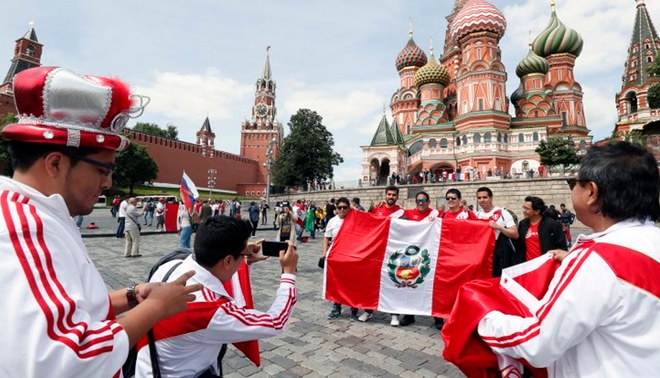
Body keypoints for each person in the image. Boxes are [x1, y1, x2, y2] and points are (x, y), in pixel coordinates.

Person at [0, 66, 201, 376]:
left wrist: (132, 296)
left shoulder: (43, 214)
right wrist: (155, 308)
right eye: (103, 170)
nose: (107, 184)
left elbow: (70, 310)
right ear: (55, 163)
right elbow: (68, 359)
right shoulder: (25, 228)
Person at [478, 141, 660, 377]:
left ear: (592, 193)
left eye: (574, 183)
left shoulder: (594, 260)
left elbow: (539, 341)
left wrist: (485, 318)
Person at [136, 215, 298, 377]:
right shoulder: (210, 309)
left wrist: (241, 256)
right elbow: (275, 322)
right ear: (227, 261)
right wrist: (288, 274)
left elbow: (216, 273)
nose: (244, 259)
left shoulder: (170, 266)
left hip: (151, 364)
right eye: (242, 256)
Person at [361, 185, 404, 326]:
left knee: (392, 282)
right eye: (389, 194)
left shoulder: (402, 212)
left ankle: (394, 314)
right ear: (385, 195)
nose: (391, 197)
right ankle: (368, 311)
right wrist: (369, 210)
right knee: (371, 283)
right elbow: (366, 223)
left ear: (397, 196)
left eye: (393, 195)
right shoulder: (376, 209)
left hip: (393, 253)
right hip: (376, 252)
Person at [399, 191, 441, 328]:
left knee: (434, 285)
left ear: (429, 201)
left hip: (432, 254)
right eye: (418, 201)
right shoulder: (408, 214)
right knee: (412, 283)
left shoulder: (437, 214)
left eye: (423, 200)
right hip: (413, 256)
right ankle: (409, 315)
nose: (421, 203)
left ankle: (438, 317)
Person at [321, 197, 359, 321]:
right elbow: (326, 237)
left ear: (349, 208)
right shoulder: (332, 221)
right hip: (336, 256)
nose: (342, 210)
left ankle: (354, 309)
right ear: (336, 209)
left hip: (351, 256)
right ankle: (336, 308)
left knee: (352, 284)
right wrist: (324, 252)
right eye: (339, 207)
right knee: (336, 283)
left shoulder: (355, 219)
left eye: (345, 207)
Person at [475, 187, 520, 277]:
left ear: (491, 198)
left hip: (501, 254)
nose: (482, 200)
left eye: (485, 197)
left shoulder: (503, 213)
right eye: (479, 198)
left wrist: (499, 227)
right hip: (483, 254)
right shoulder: (477, 215)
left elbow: (515, 234)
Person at [516, 196, 567, 261]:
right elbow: (519, 246)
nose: (524, 211)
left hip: (546, 265)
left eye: (527, 209)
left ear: (537, 211)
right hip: (527, 266)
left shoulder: (552, 225)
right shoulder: (522, 224)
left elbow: (562, 248)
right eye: (523, 208)